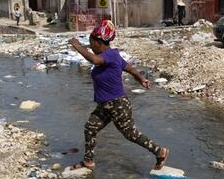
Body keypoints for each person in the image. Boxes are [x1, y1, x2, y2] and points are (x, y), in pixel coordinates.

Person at [68, 20, 169, 170]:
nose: (91, 47)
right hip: (104, 105)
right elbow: (129, 68)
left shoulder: (109, 55)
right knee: (90, 128)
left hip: (117, 105)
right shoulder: (112, 55)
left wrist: (77, 45)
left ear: (99, 42)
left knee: (130, 134)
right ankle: (88, 161)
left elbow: (95, 59)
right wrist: (141, 78)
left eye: (91, 43)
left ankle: (160, 152)